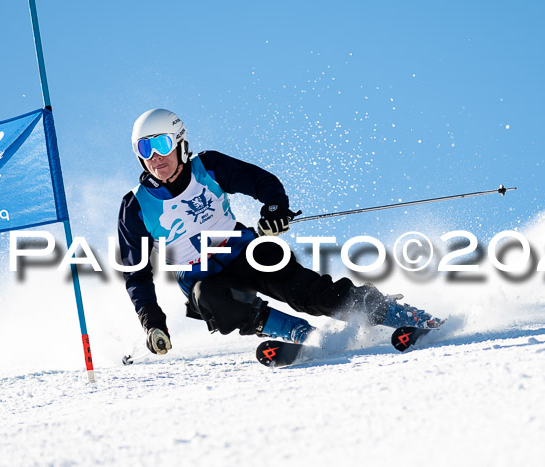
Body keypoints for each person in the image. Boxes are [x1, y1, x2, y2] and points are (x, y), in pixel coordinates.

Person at [118, 109, 441, 355]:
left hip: (245, 252)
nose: (155, 157)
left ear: (180, 142)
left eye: (161, 144)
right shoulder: (135, 206)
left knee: (311, 295)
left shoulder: (209, 167)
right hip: (203, 277)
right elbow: (136, 274)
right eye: (145, 148)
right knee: (211, 299)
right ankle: (303, 336)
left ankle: (401, 315)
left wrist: (274, 210)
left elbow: (262, 183)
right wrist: (153, 323)